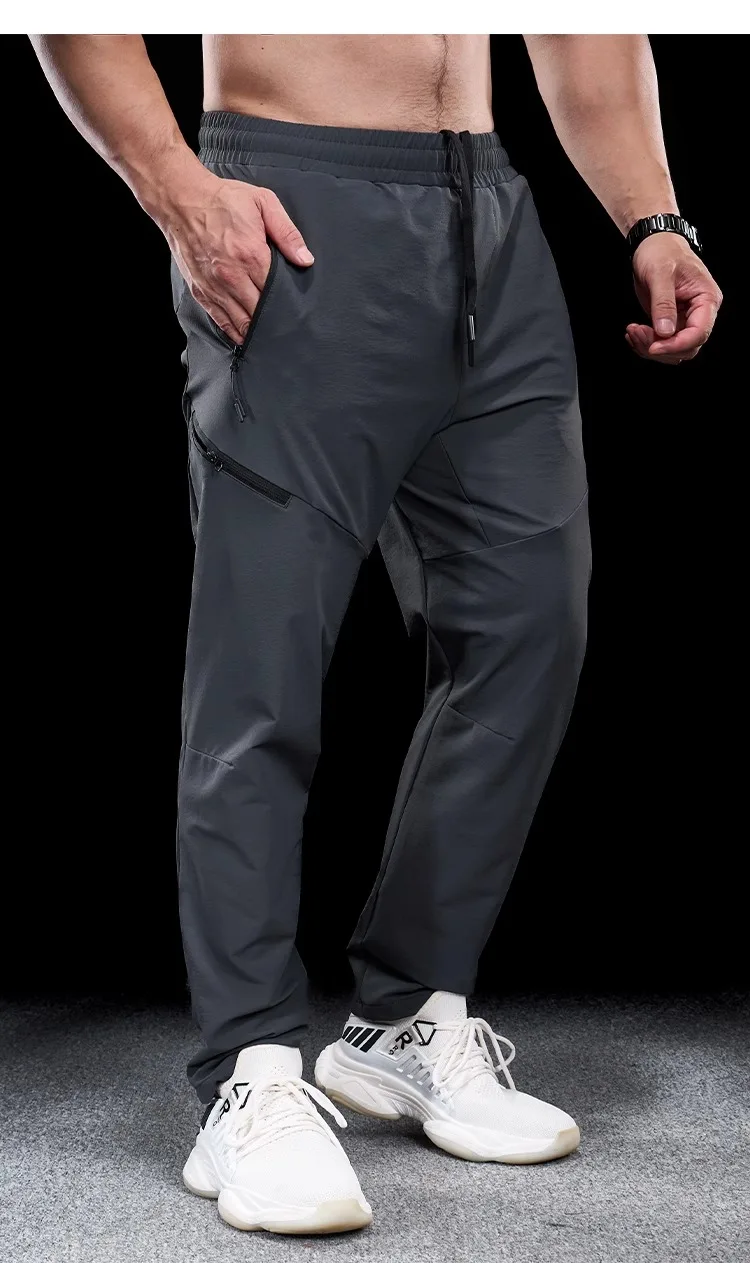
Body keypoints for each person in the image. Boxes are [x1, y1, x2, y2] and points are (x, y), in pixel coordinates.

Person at [31, 34, 721, 1236]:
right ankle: (250, 1071)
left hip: (493, 224)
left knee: (529, 629)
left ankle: (406, 1014)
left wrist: (653, 217)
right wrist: (177, 190)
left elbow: (586, 26)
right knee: (262, 673)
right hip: (293, 206)